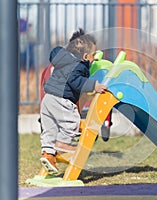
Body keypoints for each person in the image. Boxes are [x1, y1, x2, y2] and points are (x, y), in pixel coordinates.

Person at [40, 28, 107, 174]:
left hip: (48, 99)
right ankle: (63, 145)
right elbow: (76, 80)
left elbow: (55, 54)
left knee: (49, 128)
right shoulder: (78, 66)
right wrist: (94, 85)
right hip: (61, 99)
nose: (94, 58)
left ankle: (48, 154)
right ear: (84, 56)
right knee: (71, 121)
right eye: (92, 55)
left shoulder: (63, 60)